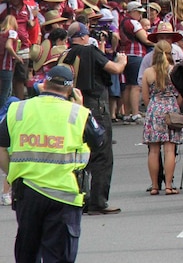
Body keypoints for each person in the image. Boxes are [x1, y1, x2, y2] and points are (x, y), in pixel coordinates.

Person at [0, 65, 105, 262]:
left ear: (43, 84)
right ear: (71, 89)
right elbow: (99, 141)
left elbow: (1, 148)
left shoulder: (18, 109)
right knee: (59, 255)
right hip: (64, 194)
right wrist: (80, 105)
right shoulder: (78, 114)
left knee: (27, 252)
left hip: (27, 191)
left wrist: (14, 172)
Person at [61, 22, 126, 215]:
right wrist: (122, 61)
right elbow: (113, 68)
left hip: (73, 104)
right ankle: (98, 201)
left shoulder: (67, 54)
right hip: (96, 104)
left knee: (80, 154)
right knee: (102, 154)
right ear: (82, 36)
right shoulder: (89, 51)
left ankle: (83, 197)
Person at [141, 40, 182, 196]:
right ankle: (169, 185)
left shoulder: (148, 73)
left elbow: (145, 97)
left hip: (154, 108)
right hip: (171, 108)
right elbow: (181, 94)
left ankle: (154, 185)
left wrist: (153, 105)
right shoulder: (174, 71)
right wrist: (175, 106)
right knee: (170, 149)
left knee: (153, 150)